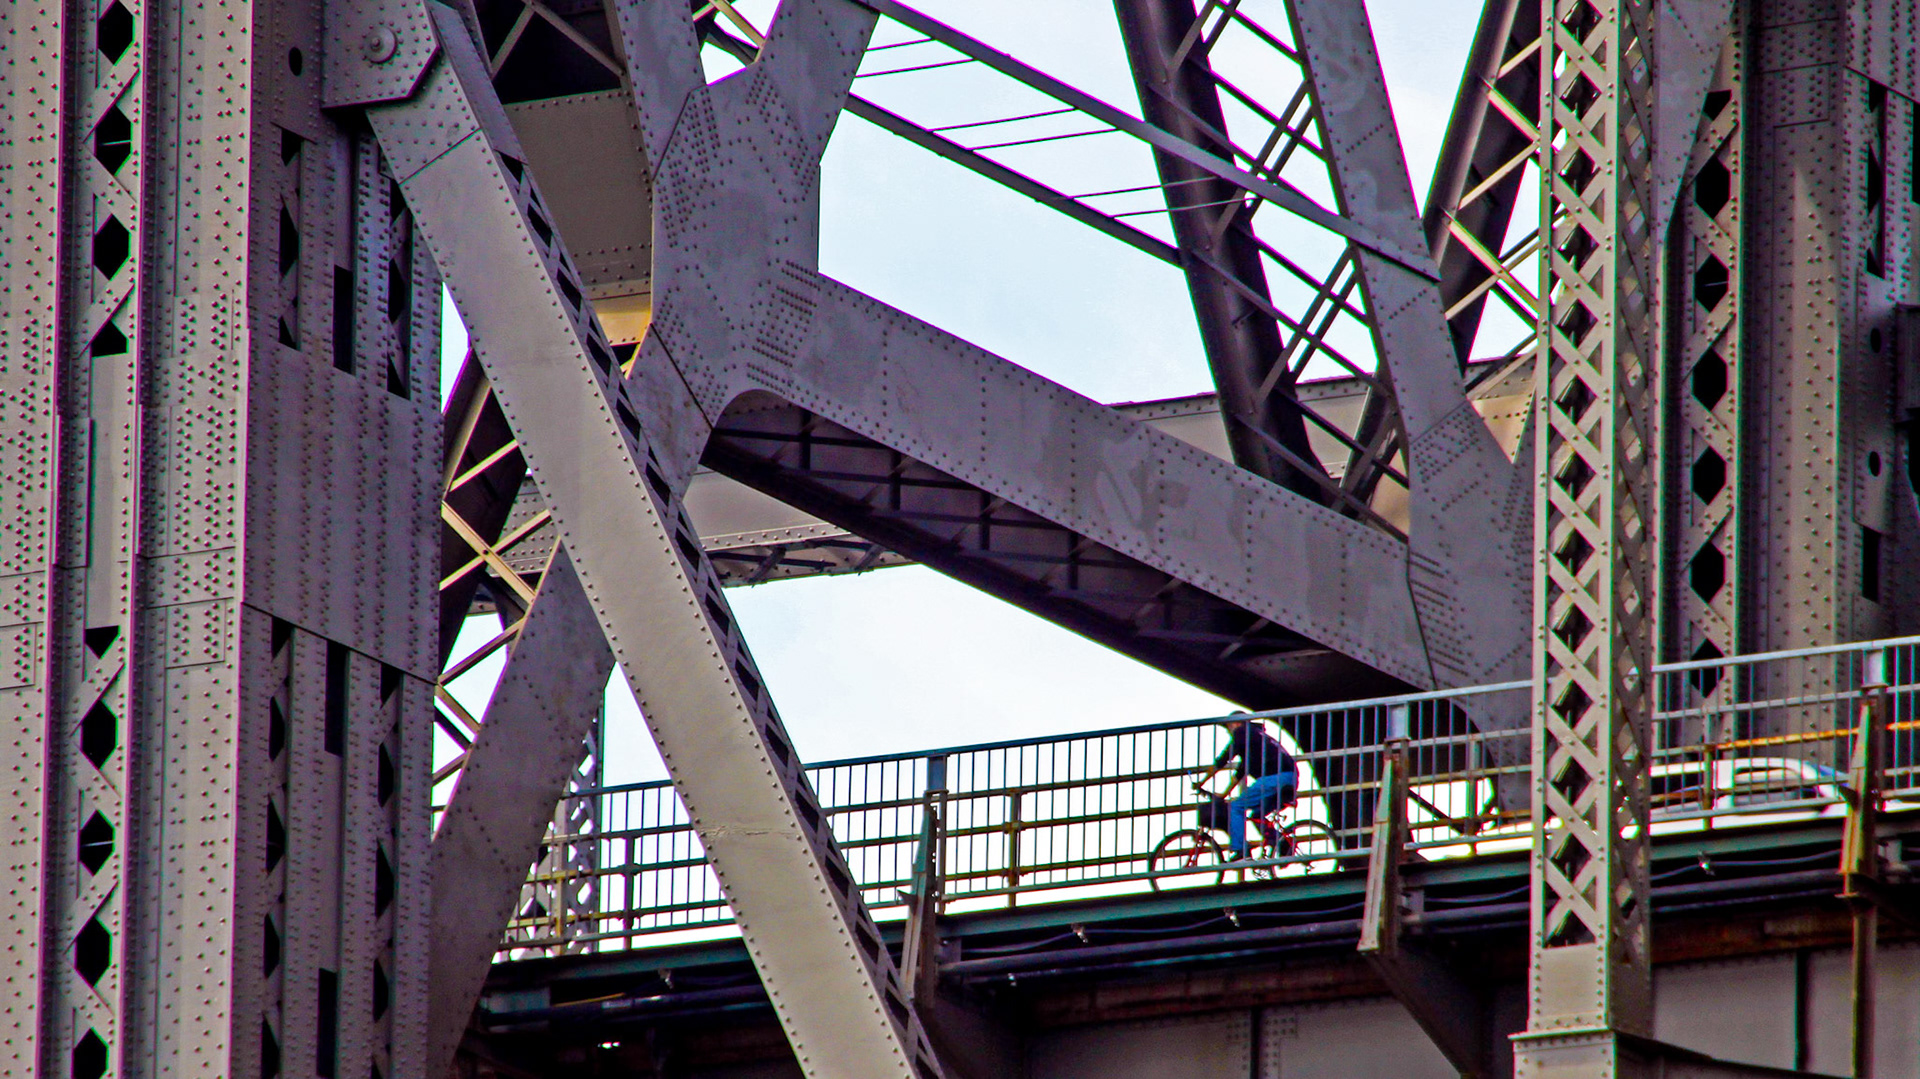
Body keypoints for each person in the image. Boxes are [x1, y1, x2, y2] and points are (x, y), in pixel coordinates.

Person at [1195, 713, 1297, 859]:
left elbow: (1222, 760)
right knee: (1257, 815)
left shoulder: (1242, 733)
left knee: (1236, 807)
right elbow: (1240, 772)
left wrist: (1201, 782)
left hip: (1273, 778)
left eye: (1228, 726)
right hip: (1289, 777)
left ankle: (1240, 849)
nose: (1228, 731)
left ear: (1236, 723)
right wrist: (1222, 795)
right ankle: (1281, 843)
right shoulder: (1255, 738)